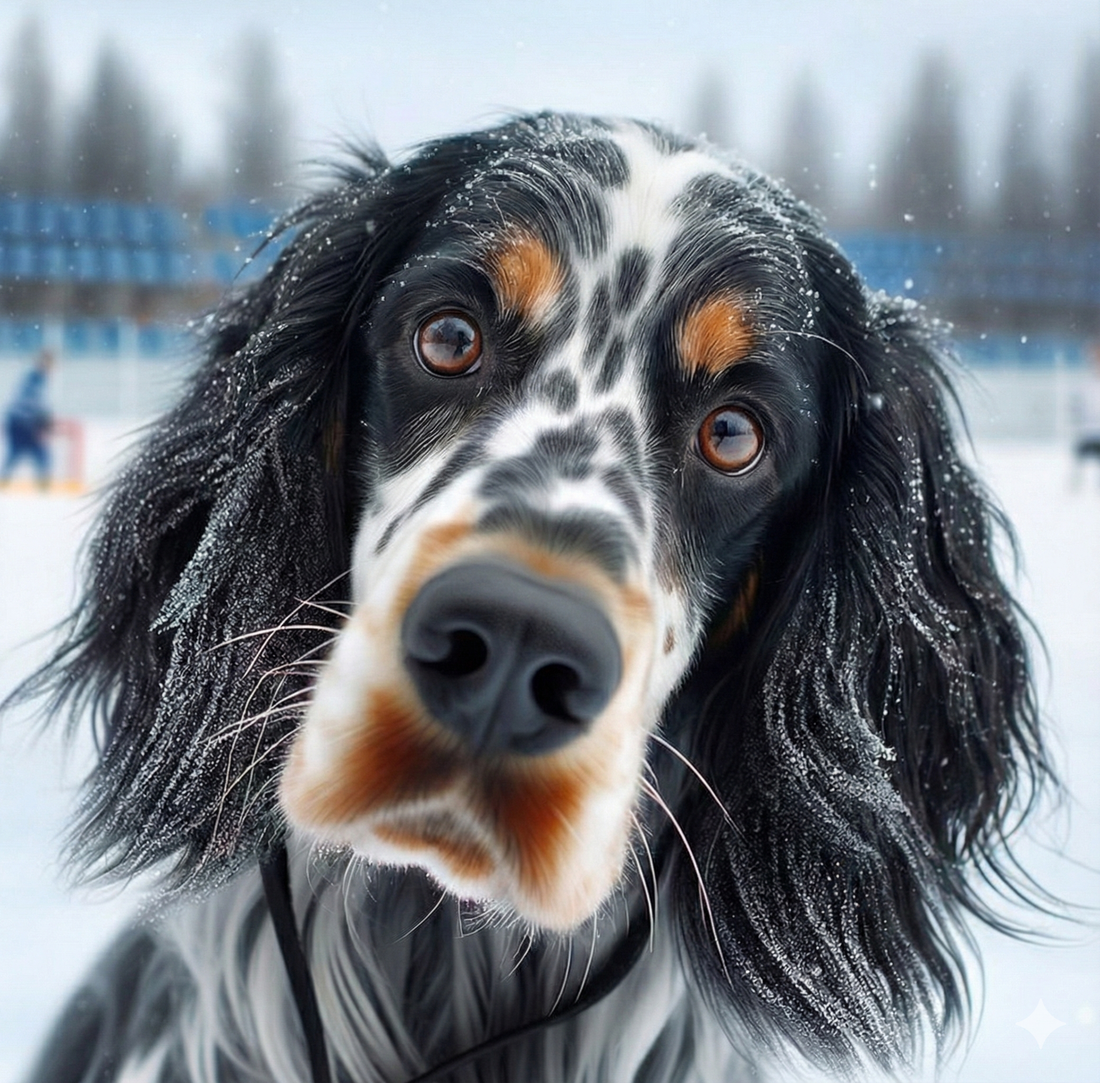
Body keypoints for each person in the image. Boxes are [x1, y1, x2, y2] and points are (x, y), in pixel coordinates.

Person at [1, 349, 54, 488]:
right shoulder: (34, 378)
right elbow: (28, 402)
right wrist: (41, 419)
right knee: (37, 455)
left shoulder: (38, 378)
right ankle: (43, 487)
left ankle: (43, 486)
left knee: (23, 456)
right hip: (21, 423)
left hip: (20, 422)